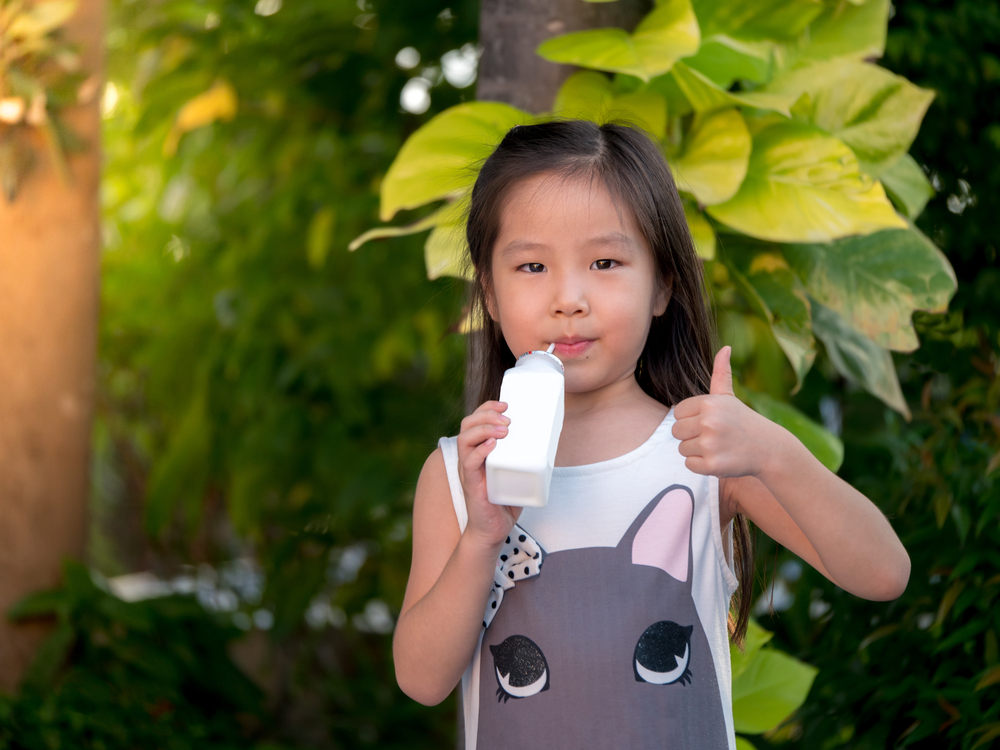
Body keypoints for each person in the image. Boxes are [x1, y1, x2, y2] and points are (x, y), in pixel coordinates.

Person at [392, 120, 910, 749]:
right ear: (490, 295)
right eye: (531, 265)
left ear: (663, 282)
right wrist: (481, 537)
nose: (569, 298)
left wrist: (771, 452)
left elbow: (883, 574)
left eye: (605, 262)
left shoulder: (703, 455)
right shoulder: (458, 473)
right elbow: (421, 680)